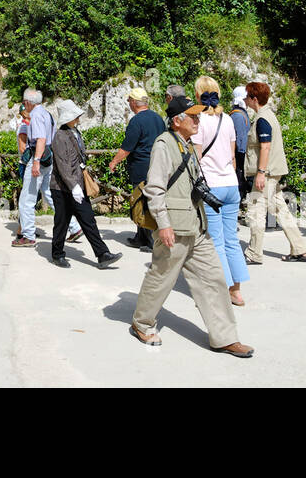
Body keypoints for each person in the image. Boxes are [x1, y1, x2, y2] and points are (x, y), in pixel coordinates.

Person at [129, 93, 254, 357]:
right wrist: (163, 224)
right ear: (177, 120)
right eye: (193, 116)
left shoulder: (186, 143)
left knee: (214, 280)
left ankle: (225, 337)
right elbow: (155, 188)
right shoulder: (164, 144)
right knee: (161, 277)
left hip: (197, 226)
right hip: (174, 227)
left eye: (198, 115)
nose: (198, 120)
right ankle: (142, 323)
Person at [48, 99, 122, 269]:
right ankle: (57, 253)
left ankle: (103, 254)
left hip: (77, 185)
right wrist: (73, 186)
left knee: (88, 219)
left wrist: (77, 185)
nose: (78, 118)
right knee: (62, 221)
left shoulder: (75, 132)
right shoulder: (60, 136)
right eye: (75, 115)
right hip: (62, 188)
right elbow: (63, 165)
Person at [193, 76, 248, 305]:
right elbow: (233, 155)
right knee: (231, 239)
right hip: (230, 184)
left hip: (212, 185)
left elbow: (196, 157)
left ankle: (222, 289)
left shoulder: (198, 121)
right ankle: (236, 289)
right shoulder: (227, 119)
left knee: (215, 240)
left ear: (198, 95)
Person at [243, 81, 306, 264]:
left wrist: (260, 173)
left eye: (247, 96)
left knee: (256, 212)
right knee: (281, 211)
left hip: (266, 174)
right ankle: (300, 249)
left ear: (254, 99)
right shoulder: (268, 116)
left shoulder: (262, 119)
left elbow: (265, 147)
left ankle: (254, 253)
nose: (244, 99)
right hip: (273, 173)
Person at [12, 89, 82, 248]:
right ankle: (74, 226)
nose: (24, 105)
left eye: (24, 102)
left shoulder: (36, 115)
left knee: (26, 199)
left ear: (28, 102)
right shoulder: (47, 113)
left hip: (39, 158)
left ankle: (28, 235)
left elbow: (41, 139)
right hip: (49, 158)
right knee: (49, 193)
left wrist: (36, 161)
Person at [108, 87, 166, 250]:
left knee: (142, 202)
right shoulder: (158, 119)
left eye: (129, 101)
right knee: (150, 201)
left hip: (141, 168)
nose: (129, 104)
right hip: (157, 165)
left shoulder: (136, 121)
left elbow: (127, 148)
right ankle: (140, 237)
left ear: (134, 102)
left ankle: (149, 240)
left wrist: (114, 162)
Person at [230, 86, 251, 203]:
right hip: (240, 156)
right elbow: (240, 141)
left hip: (240, 154)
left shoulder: (238, 114)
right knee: (239, 179)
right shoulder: (238, 115)